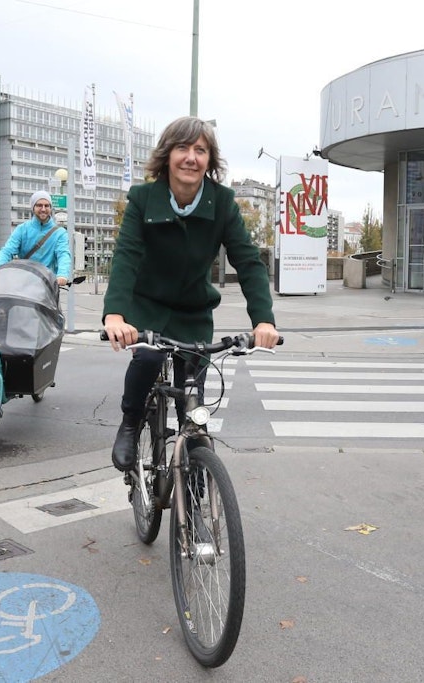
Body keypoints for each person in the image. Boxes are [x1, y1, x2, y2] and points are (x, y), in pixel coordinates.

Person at [102, 116, 279, 472]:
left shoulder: (222, 202)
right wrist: (115, 315)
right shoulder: (142, 199)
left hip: (192, 311)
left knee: (192, 395)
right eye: (182, 148)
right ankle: (131, 423)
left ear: (209, 162)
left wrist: (263, 320)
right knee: (148, 360)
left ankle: (197, 464)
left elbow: (248, 262)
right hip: (147, 304)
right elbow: (126, 257)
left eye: (200, 150)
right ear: (167, 155)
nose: (191, 157)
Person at [0, 190, 71, 286]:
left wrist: (62, 275)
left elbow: (63, 254)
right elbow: (7, 251)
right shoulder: (22, 229)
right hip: (25, 282)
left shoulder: (60, 233)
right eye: (39, 205)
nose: (43, 209)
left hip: (47, 284)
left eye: (47, 206)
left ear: (50, 208)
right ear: (33, 208)